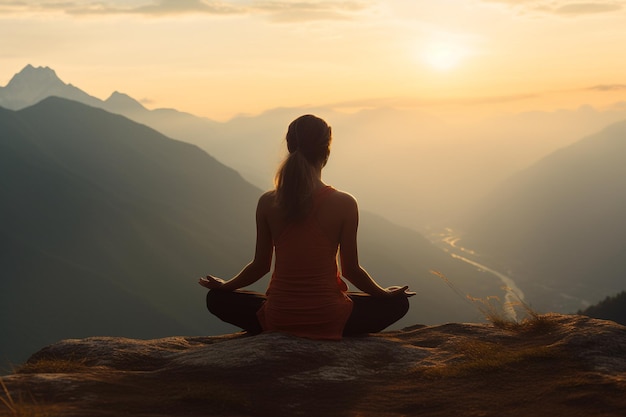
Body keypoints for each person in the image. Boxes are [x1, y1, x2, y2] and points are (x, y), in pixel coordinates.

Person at [198, 114, 414, 340]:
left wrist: (226, 286)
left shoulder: (268, 202)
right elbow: (351, 271)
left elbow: (260, 266)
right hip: (331, 317)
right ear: (326, 151)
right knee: (398, 303)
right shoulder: (345, 203)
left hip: (279, 316)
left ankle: (274, 323)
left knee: (216, 299)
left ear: (290, 147)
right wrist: (384, 294)